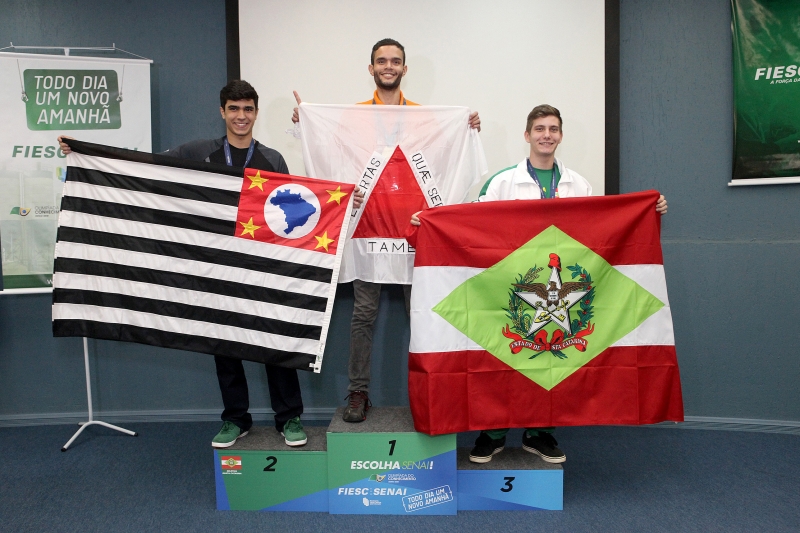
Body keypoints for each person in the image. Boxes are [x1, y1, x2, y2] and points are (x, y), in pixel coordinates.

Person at [59, 80, 364, 448]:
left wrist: (343, 200)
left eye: (248, 109)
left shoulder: (272, 160)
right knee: (224, 343)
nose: (241, 116)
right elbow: (149, 169)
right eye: (234, 109)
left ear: (256, 113)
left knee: (275, 340)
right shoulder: (198, 152)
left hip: (262, 270)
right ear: (222, 112)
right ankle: (236, 419)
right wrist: (84, 152)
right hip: (214, 270)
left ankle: (289, 418)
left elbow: (298, 205)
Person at [412, 104, 667, 463]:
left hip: (560, 290)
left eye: (553, 129)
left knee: (554, 362)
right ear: (527, 135)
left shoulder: (579, 184)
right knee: (502, 359)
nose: (547, 135)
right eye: (540, 129)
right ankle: (494, 431)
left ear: (560, 136)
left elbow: (597, 234)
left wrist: (650, 210)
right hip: (509, 289)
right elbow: (470, 224)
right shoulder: (501, 182)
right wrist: (430, 220)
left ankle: (540, 433)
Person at [292, 38, 481, 423]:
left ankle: (431, 390)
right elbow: (330, 150)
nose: (388, 66)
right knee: (363, 315)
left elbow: (450, 155)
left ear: (405, 69)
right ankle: (357, 392)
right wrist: (305, 124)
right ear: (371, 68)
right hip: (369, 228)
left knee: (423, 314)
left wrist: (469, 128)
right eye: (382, 61)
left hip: (416, 227)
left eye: (395, 61)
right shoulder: (354, 116)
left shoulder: (425, 117)